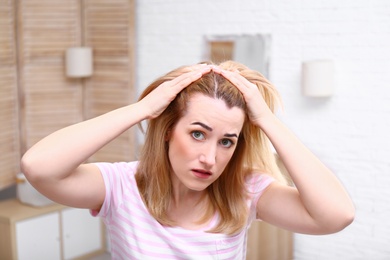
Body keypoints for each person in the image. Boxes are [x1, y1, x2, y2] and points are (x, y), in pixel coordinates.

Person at [21, 61, 354, 259]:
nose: (210, 158)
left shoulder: (245, 192)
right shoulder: (120, 186)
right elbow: (39, 167)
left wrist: (266, 120)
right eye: (197, 133)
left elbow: (337, 216)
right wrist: (142, 109)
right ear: (167, 130)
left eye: (227, 141)